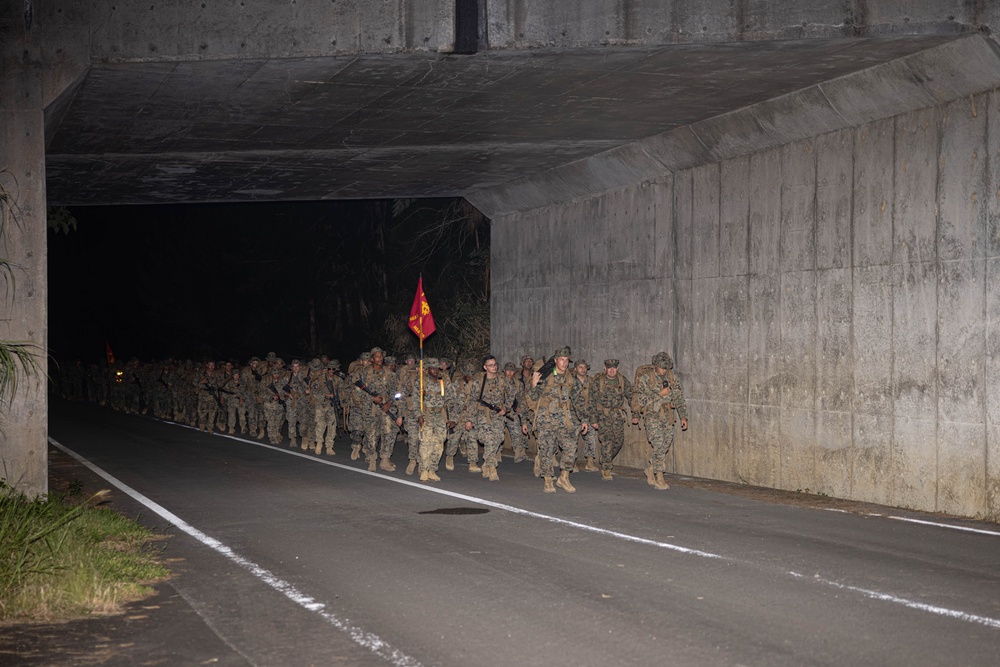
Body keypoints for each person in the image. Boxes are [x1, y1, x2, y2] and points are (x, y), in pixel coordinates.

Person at [526, 346, 589, 493]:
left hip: (563, 419)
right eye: (562, 359)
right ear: (555, 360)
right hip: (546, 419)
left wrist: (584, 419)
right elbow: (533, 398)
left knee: (570, 447)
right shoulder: (545, 375)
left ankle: (564, 478)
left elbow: (578, 400)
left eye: (567, 360)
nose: (565, 363)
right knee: (546, 450)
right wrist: (534, 385)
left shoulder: (570, 378)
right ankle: (548, 480)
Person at [633, 352, 688, 490]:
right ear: (656, 365)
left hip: (667, 416)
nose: (664, 370)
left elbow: (679, 398)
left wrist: (683, 416)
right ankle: (659, 476)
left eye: (666, 367)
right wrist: (659, 394)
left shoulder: (671, 377)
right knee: (658, 444)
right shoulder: (646, 378)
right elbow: (642, 400)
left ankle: (651, 468)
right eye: (662, 367)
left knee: (665, 444)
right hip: (652, 415)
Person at [462, 354, 514, 481]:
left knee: (498, 439)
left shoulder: (502, 379)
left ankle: (487, 464)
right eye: (490, 365)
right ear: (485, 367)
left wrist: (506, 408)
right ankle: (491, 467)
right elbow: (472, 401)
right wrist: (469, 419)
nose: (494, 367)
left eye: (495, 364)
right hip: (482, 415)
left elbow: (511, 393)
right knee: (489, 439)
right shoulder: (478, 381)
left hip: (497, 415)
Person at [355, 347, 403, 472]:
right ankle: (371, 459)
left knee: (389, 433)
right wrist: (371, 398)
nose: (380, 358)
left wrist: (389, 402)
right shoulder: (364, 373)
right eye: (377, 356)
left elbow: (396, 392)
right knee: (371, 435)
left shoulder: (390, 374)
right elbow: (357, 392)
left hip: (385, 409)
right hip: (370, 409)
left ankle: (385, 459)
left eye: (381, 356)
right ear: (372, 359)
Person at [409, 358, 457, 481]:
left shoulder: (444, 382)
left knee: (439, 444)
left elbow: (451, 400)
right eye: (432, 368)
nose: (435, 370)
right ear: (427, 369)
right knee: (426, 444)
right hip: (427, 416)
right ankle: (424, 469)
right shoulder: (421, 382)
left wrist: (452, 418)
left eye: (437, 368)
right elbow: (415, 401)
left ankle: (432, 469)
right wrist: (419, 416)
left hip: (441, 417)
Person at [588, 359, 634, 480]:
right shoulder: (599, 382)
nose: (612, 370)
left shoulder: (622, 380)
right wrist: (593, 419)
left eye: (614, 368)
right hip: (604, 416)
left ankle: (605, 458)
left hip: (618, 416)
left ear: (617, 368)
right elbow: (592, 400)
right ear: (605, 369)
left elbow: (631, 397)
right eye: (610, 368)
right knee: (607, 442)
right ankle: (607, 468)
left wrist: (635, 414)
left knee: (619, 442)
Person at [572, 359, 599, 472]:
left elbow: (595, 399)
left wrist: (594, 417)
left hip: (587, 414)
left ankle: (590, 462)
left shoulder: (591, 381)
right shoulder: (570, 381)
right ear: (575, 369)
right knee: (572, 439)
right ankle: (571, 463)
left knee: (591, 438)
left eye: (584, 367)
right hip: (573, 415)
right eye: (580, 367)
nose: (583, 369)